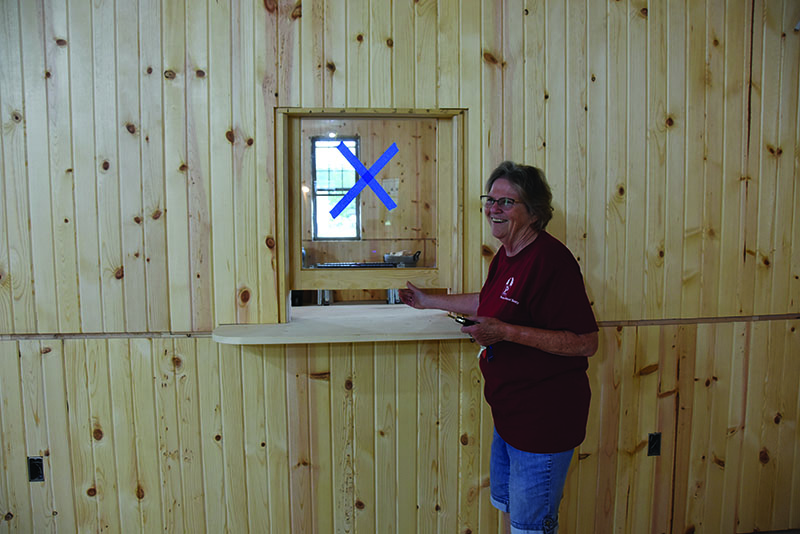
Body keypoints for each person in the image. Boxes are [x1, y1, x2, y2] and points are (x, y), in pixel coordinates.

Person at [399, 161, 598, 534]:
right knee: (508, 511)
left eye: (506, 202)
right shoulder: (506, 255)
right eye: (490, 200)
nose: (493, 209)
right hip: (510, 416)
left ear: (534, 212)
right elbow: (488, 302)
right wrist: (429, 301)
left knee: (531, 527)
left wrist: (504, 332)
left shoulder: (551, 261)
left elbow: (585, 342)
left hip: (543, 422)